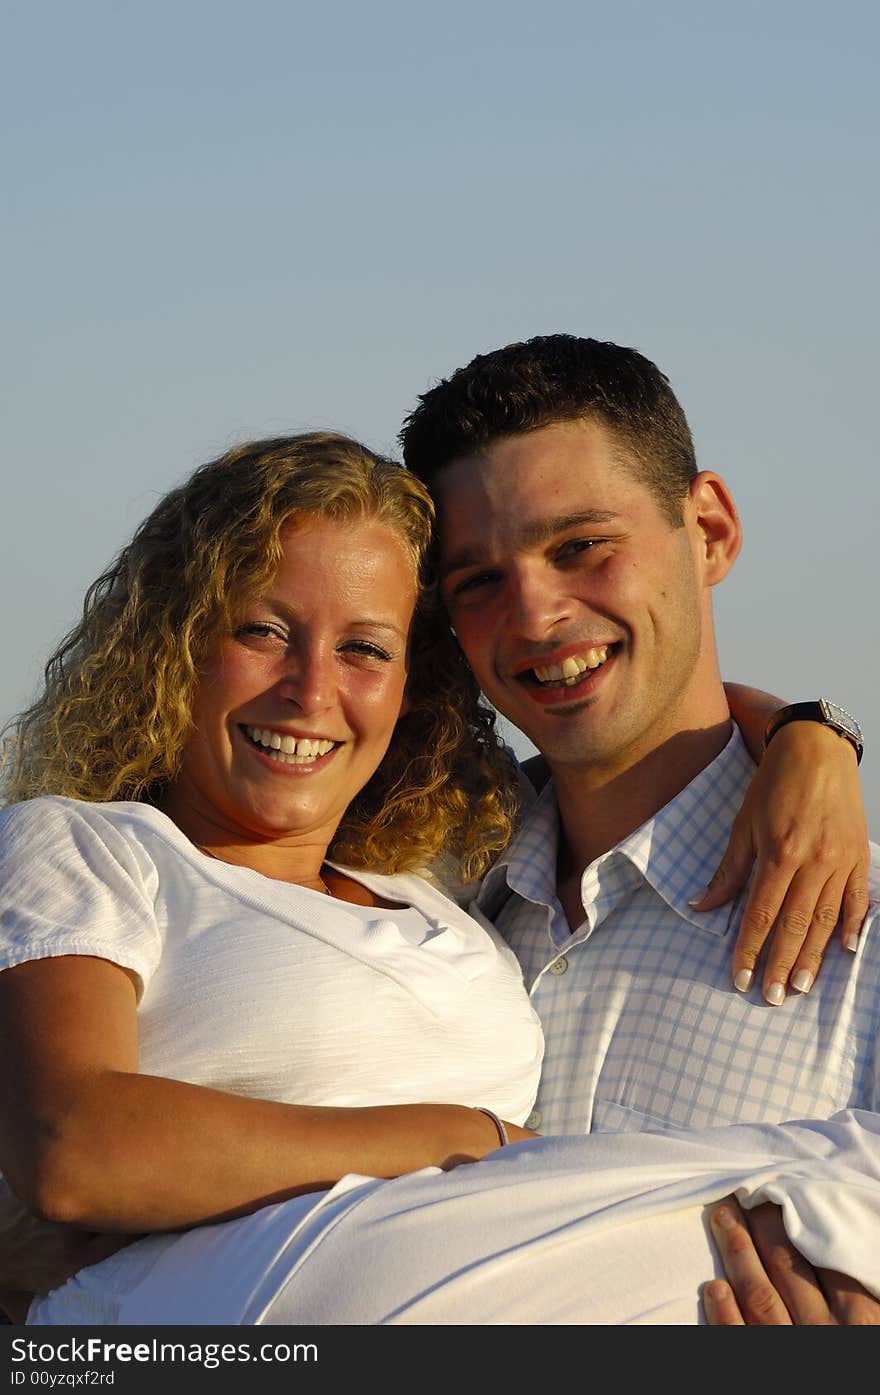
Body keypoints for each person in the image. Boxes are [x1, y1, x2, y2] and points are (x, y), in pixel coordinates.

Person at [0, 426, 876, 1327]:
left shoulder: (443, 878)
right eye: (262, 630)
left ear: (414, 686)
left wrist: (812, 735)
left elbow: (625, 758)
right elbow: (72, 1144)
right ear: (172, 646)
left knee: (833, 1174)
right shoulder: (87, 849)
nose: (310, 691)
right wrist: (461, 1140)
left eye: (365, 649)